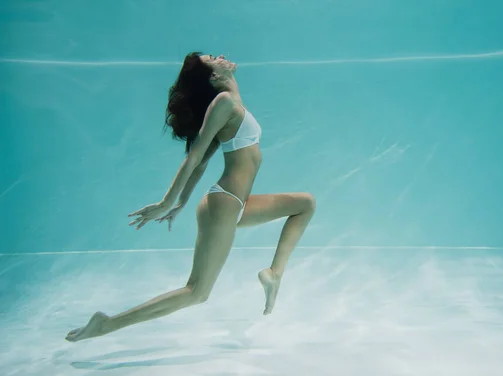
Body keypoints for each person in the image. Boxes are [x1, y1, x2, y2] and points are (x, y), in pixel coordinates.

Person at [65, 52, 316, 342]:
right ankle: (106, 324)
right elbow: (195, 156)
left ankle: (274, 274)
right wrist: (167, 202)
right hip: (224, 204)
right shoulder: (223, 103)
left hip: (235, 204)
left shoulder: (232, 103)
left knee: (305, 203)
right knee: (197, 292)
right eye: (213, 58)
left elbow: (205, 160)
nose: (221, 56)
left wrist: (182, 202)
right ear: (213, 76)